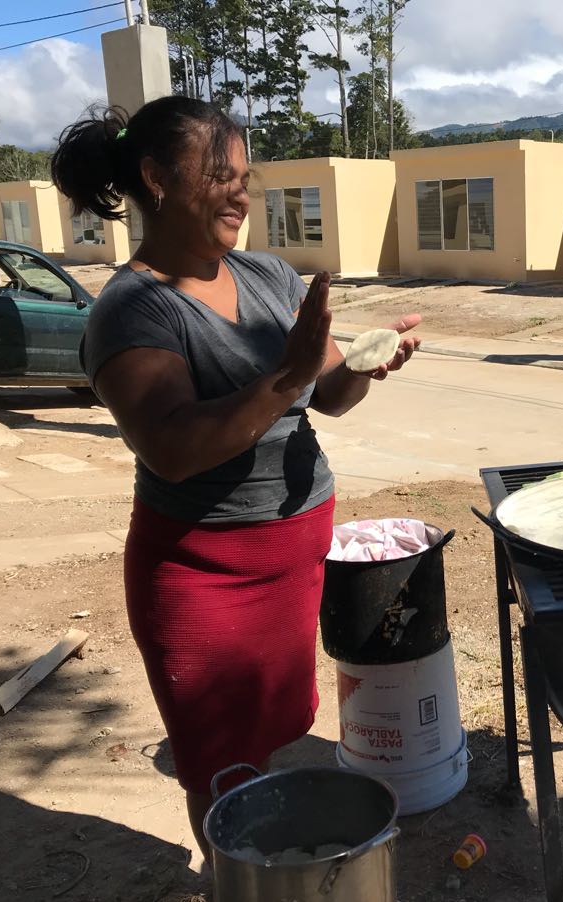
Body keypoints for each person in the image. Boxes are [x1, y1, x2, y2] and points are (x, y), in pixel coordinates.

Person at [50, 96, 421, 861]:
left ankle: (268, 892)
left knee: (268, 733)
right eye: (221, 175)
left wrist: (364, 366)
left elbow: (331, 396)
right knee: (218, 767)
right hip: (202, 569)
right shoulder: (133, 311)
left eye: (245, 176)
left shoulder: (266, 276)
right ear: (156, 177)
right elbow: (174, 448)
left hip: (294, 556)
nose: (241, 194)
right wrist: (287, 374)